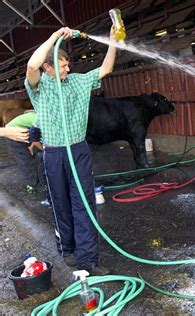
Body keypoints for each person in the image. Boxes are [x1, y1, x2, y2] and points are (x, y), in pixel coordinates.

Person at [25, 26, 116, 275]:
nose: (67, 69)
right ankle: (68, 250)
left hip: (78, 150)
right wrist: (54, 37)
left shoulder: (78, 81)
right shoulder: (38, 86)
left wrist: (113, 42)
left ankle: (89, 260)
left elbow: (106, 69)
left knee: (84, 204)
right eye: (62, 65)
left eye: (68, 64)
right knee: (61, 204)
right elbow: (32, 65)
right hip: (53, 154)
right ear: (49, 67)